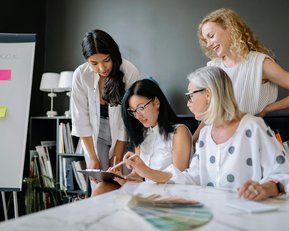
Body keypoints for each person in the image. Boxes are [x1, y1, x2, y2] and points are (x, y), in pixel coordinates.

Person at [124, 66, 289, 201]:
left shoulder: (253, 127)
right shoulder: (204, 136)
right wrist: (146, 172)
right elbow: (191, 176)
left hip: (249, 214)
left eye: (190, 96)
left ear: (208, 94)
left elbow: (284, 173)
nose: (188, 103)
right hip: (213, 213)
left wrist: (267, 188)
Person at [192, 8, 289, 143]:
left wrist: (268, 108)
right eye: (205, 40)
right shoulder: (213, 68)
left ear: (230, 28)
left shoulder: (260, 64)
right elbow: (210, 116)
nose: (208, 44)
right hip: (217, 140)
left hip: (251, 139)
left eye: (211, 36)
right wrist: (192, 142)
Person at [91, 78, 192, 196]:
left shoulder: (179, 132)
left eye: (141, 108)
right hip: (147, 190)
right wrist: (123, 178)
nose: (137, 116)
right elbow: (137, 175)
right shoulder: (142, 135)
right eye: (133, 111)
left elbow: (179, 178)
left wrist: (146, 171)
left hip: (169, 193)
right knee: (101, 187)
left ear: (156, 102)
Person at [70, 29, 140, 191]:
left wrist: (117, 153)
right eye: (94, 63)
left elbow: (127, 117)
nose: (102, 68)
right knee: (99, 184)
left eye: (106, 60)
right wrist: (93, 157)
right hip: (96, 134)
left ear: (113, 54)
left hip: (125, 134)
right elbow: (80, 118)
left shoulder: (129, 71)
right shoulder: (81, 75)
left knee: (123, 183)